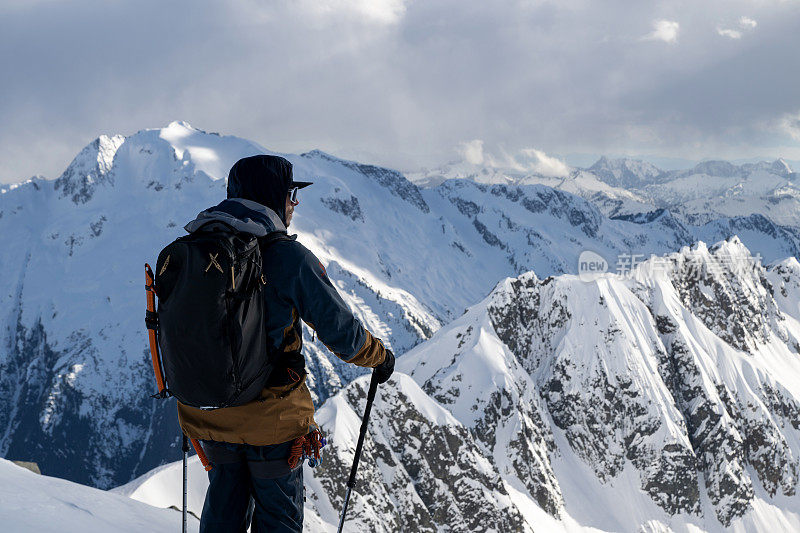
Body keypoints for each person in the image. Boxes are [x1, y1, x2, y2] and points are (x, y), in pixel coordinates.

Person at [176, 154, 395, 532]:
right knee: (279, 520)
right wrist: (380, 358)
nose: (294, 203)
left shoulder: (191, 250)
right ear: (272, 196)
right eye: (291, 193)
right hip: (271, 420)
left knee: (223, 511)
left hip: (206, 412)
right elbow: (342, 333)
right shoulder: (286, 257)